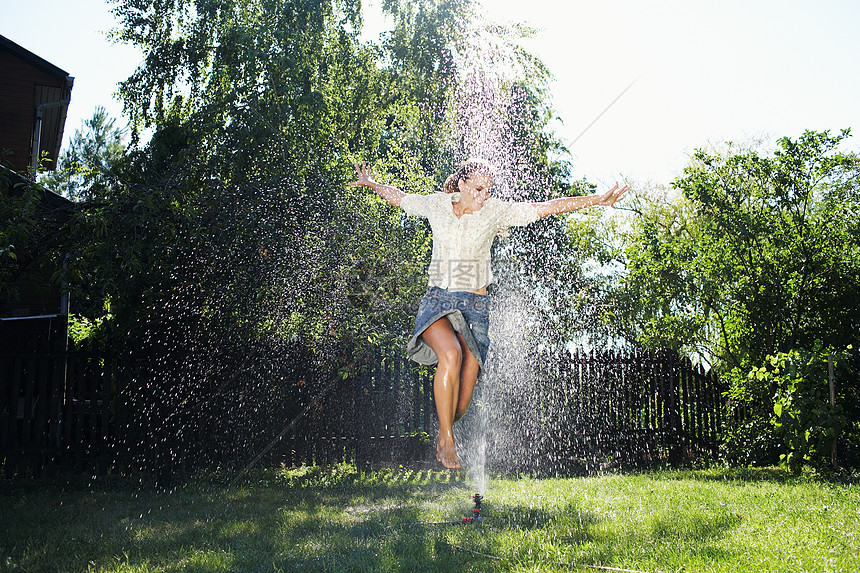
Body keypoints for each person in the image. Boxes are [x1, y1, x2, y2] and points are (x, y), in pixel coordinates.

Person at [349, 158, 626, 469]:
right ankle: (448, 439)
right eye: (478, 188)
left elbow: (548, 206)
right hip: (437, 301)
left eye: (488, 189)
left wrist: (598, 199)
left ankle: (446, 428)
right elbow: (400, 197)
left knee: (462, 403)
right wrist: (372, 185)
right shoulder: (436, 205)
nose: (484, 195)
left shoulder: (496, 211)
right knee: (450, 355)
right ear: (463, 184)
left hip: (475, 308)